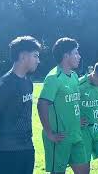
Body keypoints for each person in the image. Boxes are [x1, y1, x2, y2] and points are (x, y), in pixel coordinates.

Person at [0, 36, 41, 174]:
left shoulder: (28, 83)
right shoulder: (6, 85)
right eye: (35, 56)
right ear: (23, 56)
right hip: (8, 151)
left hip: (27, 148)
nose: (38, 60)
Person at [37, 37, 89, 174]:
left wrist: (78, 120)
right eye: (76, 53)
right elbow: (42, 103)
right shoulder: (53, 78)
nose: (79, 56)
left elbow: (70, 103)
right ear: (66, 55)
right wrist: (49, 132)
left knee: (84, 171)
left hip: (76, 134)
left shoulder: (74, 76)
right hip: (60, 137)